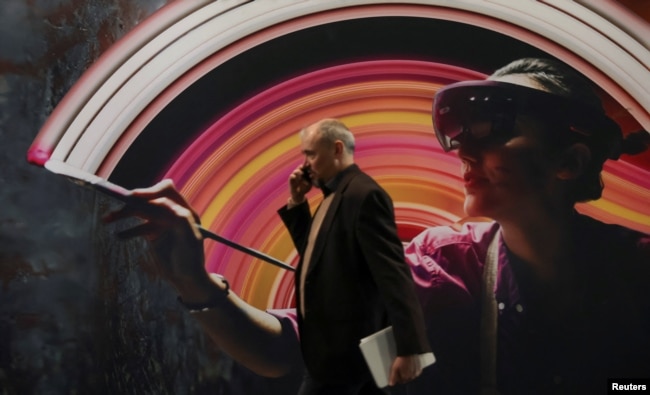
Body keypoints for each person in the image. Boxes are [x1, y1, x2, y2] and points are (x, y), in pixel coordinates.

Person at [104, 57, 650, 395]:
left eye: (494, 127)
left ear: (570, 164)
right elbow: (293, 351)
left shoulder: (639, 270)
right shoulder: (441, 268)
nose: (462, 147)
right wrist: (195, 284)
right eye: (461, 133)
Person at [277, 119, 431, 394]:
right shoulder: (331, 197)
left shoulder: (364, 195)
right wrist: (297, 201)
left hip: (347, 356)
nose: (305, 163)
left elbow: (394, 276)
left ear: (337, 149)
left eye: (311, 153)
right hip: (331, 355)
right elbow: (317, 260)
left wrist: (411, 349)